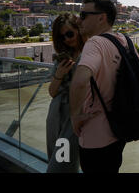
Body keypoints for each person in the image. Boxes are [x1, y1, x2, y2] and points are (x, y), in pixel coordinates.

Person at [70, 0, 134, 173]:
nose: (78, 20)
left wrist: (75, 115)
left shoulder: (95, 43)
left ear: (101, 18)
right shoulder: (125, 41)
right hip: (120, 128)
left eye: (83, 15)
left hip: (95, 134)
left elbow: (80, 81)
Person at [46, 13, 85, 173]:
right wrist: (60, 73)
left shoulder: (89, 54)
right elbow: (52, 92)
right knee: (55, 157)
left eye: (69, 34)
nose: (67, 39)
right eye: (62, 37)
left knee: (61, 165)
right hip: (55, 114)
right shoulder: (62, 58)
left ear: (78, 30)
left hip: (75, 113)